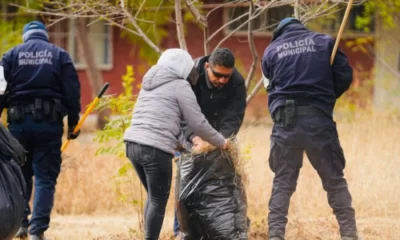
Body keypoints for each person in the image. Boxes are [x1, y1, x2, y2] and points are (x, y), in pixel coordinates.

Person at [261, 17, 360, 240]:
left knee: (283, 182)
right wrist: (325, 95)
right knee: (334, 180)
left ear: (279, 33)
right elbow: (345, 75)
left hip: (286, 123)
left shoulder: (271, 51)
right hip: (318, 120)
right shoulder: (325, 43)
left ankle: (275, 235)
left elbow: (269, 86)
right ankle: (350, 234)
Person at [123, 48, 230, 240]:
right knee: (158, 199)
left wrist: (188, 144)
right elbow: (198, 122)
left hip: (132, 144)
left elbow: (170, 124)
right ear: (182, 68)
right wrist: (221, 142)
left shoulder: (149, 84)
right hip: (154, 149)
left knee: (153, 197)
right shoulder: (180, 85)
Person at [0, 21, 81, 240]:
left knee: (19, 176)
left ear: (25, 36)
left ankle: (20, 224)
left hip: (18, 126)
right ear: (45, 36)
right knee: (45, 177)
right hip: (49, 124)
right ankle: (37, 231)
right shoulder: (60, 55)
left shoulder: (10, 56)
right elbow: (72, 92)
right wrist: (73, 123)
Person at [173, 47, 247, 237]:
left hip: (219, 139)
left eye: (226, 76)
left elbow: (234, 116)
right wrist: (194, 137)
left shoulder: (237, 82)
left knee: (226, 184)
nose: (223, 80)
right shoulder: (190, 76)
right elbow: (180, 113)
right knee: (186, 185)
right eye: (218, 75)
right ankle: (182, 231)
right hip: (191, 137)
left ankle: (227, 229)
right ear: (207, 66)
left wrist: (219, 139)